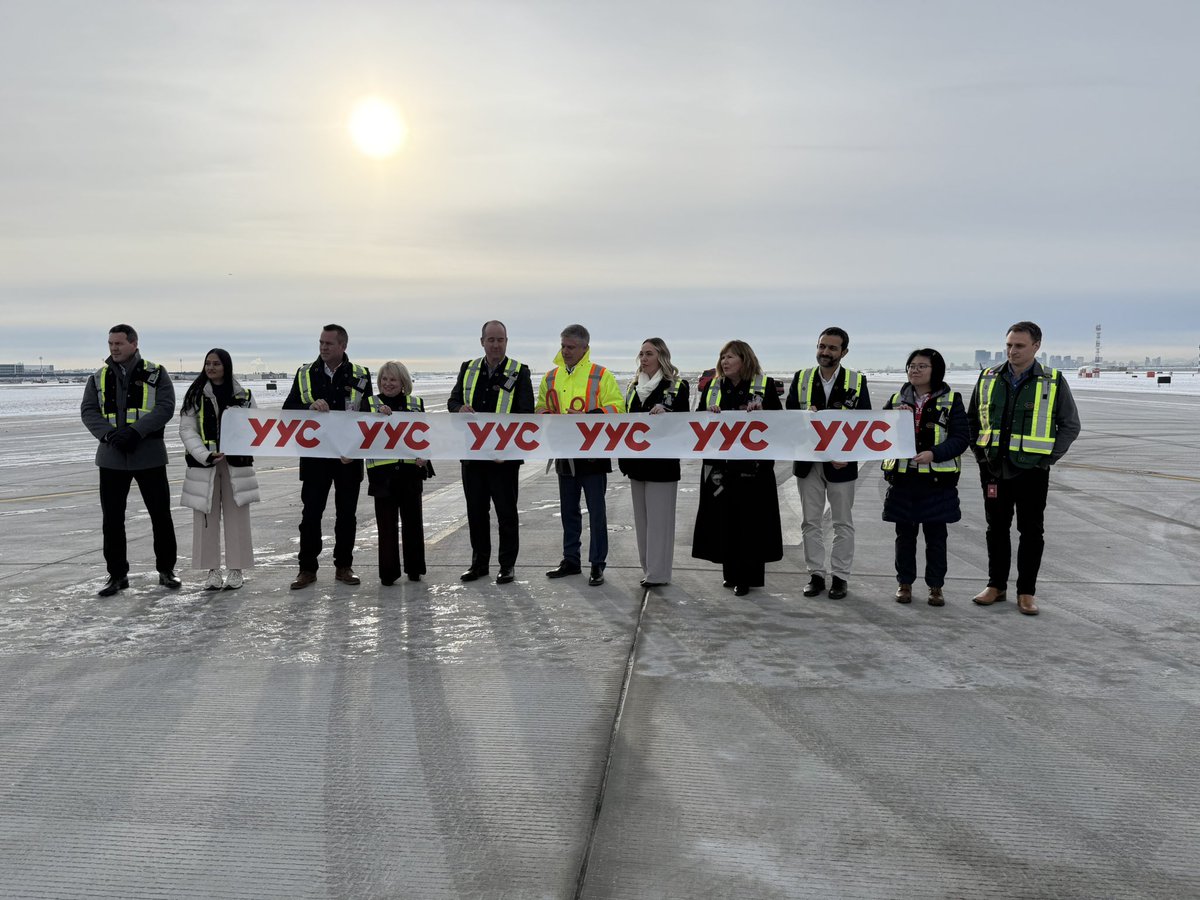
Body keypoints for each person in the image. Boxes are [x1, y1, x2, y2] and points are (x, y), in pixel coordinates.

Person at [968, 321, 1081, 616]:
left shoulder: (1052, 381)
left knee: (1031, 531)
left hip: (1032, 471)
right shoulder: (989, 377)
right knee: (996, 529)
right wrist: (981, 456)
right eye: (1008, 345)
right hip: (994, 469)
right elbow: (972, 421)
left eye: (1019, 345)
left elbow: (1070, 425)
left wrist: (1047, 459)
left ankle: (1026, 592)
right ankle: (996, 585)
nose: (1011, 351)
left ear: (1036, 347)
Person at [80, 324, 180, 596]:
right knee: (112, 520)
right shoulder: (98, 377)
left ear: (134, 344)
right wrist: (110, 435)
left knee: (160, 516)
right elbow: (89, 411)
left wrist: (136, 431)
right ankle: (117, 575)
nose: (114, 348)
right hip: (112, 457)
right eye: (111, 343)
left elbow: (165, 407)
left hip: (148, 455)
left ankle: (166, 570)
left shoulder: (155, 373)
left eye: (119, 343)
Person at [283, 324, 373, 589]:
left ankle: (344, 566)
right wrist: (308, 406)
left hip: (348, 457)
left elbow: (367, 415)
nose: (323, 348)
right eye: (321, 343)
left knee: (347, 515)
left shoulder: (360, 374)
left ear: (343, 346)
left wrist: (356, 449)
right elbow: (288, 410)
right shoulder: (304, 374)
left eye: (328, 344)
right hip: (315, 458)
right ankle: (307, 569)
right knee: (311, 514)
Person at [691, 340, 783, 596]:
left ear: (745, 359)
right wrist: (709, 412)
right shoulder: (713, 386)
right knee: (724, 519)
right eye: (722, 357)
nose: (724, 362)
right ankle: (730, 573)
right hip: (721, 466)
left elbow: (779, 420)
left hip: (752, 468)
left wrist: (762, 410)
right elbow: (697, 418)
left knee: (751, 521)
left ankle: (748, 577)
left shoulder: (764, 385)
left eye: (730, 357)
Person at [786, 327, 872, 600]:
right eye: (822, 346)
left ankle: (840, 577)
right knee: (810, 522)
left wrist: (846, 455)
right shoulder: (802, 378)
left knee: (842, 523)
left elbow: (865, 426)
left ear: (844, 352)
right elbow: (787, 418)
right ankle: (815, 574)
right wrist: (803, 416)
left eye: (832, 348)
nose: (825, 352)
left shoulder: (857, 381)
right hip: (808, 463)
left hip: (840, 464)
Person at [536, 323, 625, 586]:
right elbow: (540, 405)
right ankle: (571, 560)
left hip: (593, 454)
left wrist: (587, 418)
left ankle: (597, 564)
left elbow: (618, 408)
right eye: (563, 346)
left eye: (571, 347)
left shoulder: (601, 375)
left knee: (597, 513)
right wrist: (549, 416)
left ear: (585, 348)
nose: (565, 351)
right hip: (564, 453)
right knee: (568, 511)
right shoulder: (551, 377)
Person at [880, 349, 970, 607]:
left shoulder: (951, 400)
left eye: (922, 366)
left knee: (936, 538)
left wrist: (935, 453)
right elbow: (878, 432)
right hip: (903, 480)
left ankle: (935, 587)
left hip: (936, 482)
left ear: (935, 370)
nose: (915, 370)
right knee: (904, 538)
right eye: (911, 365)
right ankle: (904, 583)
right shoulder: (896, 398)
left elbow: (961, 438)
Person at [447, 320, 534, 585]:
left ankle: (507, 565)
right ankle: (479, 563)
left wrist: (507, 450)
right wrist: (458, 408)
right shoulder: (468, 369)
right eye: (491, 340)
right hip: (473, 456)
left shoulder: (519, 371)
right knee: (476, 511)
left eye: (501, 340)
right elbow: (453, 401)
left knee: (506, 513)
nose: (496, 345)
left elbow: (525, 414)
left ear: (506, 342)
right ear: (482, 341)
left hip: (503, 459)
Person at [178, 349, 261, 590]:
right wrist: (204, 455)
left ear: (226, 366)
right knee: (205, 518)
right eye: (207, 363)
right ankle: (211, 571)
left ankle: (236, 569)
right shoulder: (194, 394)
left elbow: (255, 425)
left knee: (238, 517)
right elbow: (187, 429)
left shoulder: (243, 395)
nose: (211, 367)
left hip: (236, 464)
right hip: (205, 465)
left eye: (216, 363)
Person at [618, 338, 690, 587]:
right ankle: (648, 569)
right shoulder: (632, 387)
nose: (644, 358)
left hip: (662, 464)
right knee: (642, 521)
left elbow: (683, 421)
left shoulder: (677, 386)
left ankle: (659, 574)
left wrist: (667, 414)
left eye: (649, 353)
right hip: (636, 463)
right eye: (641, 353)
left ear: (661, 356)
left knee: (660, 522)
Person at [364, 361, 433, 585]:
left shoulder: (415, 404)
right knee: (386, 528)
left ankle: (415, 569)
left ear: (403, 382)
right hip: (382, 476)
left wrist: (426, 456)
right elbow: (358, 435)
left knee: (413, 525)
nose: (388, 384)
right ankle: (388, 573)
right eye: (384, 379)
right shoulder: (370, 404)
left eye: (393, 379)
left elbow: (425, 436)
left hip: (410, 473)